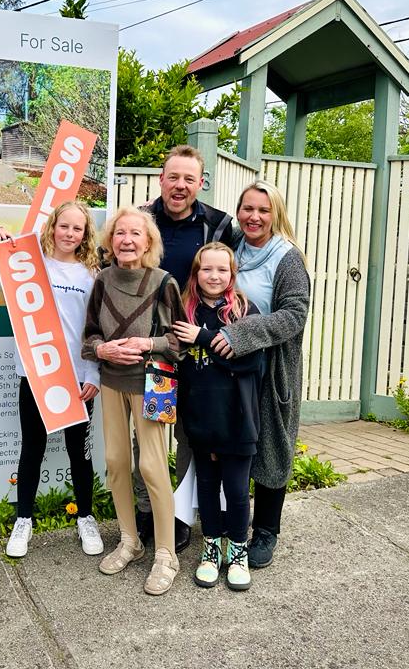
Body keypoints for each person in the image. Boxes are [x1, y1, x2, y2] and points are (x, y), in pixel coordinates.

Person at [0, 201, 104, 559]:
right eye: (64, 227)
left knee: (80, 452)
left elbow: (96, 330)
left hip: (77, 379)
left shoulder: (91, 274)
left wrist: (93, 373)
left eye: (77, 229)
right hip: (36, 375)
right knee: (33, 448)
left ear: (85, 235)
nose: (70, 234)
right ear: (53, 226)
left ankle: (86, 517)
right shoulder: (29, 265)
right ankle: (23, 520)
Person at [135, 144, 237, 553]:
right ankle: (150, 511)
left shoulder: (218, 225)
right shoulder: (140, 219)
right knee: (152, 435)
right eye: (173, 177)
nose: (180, 186)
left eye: (189, 179)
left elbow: (231, 278)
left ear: (200, 182)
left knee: (191, 438)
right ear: (161, 179)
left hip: (197, 353)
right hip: (155, 352)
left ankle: (180, 513)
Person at [82, 207, 185, 595]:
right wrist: (104, 349)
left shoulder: (163, 282)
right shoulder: (102, 281)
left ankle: (166, 555)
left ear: (148, 242)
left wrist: (148, 343)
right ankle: (130, 541)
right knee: (116, 462)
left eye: (135, 234)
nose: (127, 240)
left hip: (152, 384)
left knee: (154, 466)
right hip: (111, 382)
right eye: (120, 233)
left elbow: (178, 342)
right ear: (110, 241)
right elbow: (90, 336)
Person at [211, 180, 310, 570]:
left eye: (263, 210)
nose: (254, 217)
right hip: (228, 369)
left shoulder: (286, 258)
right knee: (230, 448)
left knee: (271, 447)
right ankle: (232, 521)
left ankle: (267, 531)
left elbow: (294, 314)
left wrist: (241, 334)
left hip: (270, 371)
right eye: (247, 208)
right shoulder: (232, 246)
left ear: (276, 214)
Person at [172, 243, 263, 591]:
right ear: (196, 274)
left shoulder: (244, 311)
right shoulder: (186, 314)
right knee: (207, 488)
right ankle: (212, 549)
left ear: (232, 274)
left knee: (237, 491)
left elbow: (250, 362)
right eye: (206, 269)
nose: (214, 276)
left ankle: (237, 551)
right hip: (200, 418)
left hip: (239, 420)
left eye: (221, 270)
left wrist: (206, 338)